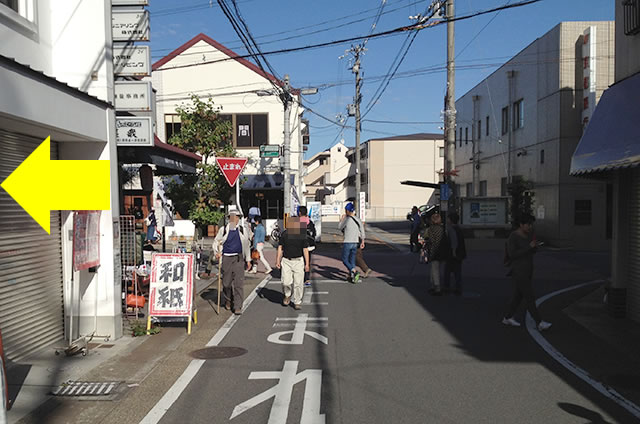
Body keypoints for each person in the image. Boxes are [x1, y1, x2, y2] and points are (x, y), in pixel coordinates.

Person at [502, 214, 552, 331]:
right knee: (529, 296)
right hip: (518, 271)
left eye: (531, 224)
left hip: (528, 270)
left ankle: (507, 317)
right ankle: (539, 322)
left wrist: (535, 246)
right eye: (528, 224)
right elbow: (512, 254)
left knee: (518, 296)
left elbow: (532, 251)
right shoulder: (513, 237)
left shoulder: (529, 235)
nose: (530, 226)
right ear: (521, 225)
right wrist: (529, 247)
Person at [212, 209, 252, 315]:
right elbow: (216, 242)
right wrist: (217, 252)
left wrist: (248, 260)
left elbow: (247, 245)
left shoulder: (243, 230)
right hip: (226, 258)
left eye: (237, 217)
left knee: (239, 283)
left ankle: (238, 306)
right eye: (233, 217)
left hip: (239, 258)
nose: (235, 219)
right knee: (226, 283)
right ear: (229, 218)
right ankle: (228, 299)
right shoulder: (223, 230)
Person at [275, 217, 310, 310]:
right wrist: (278, 260)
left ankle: (297, 301)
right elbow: (280, 248)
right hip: (286, 261)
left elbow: (305, 249)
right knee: (285, 282)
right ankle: (287, 295)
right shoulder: (285, 234)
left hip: (298, 261)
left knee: (298, 283)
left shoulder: (302, 235)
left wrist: (307, 264)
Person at [338, 202, 365, 283]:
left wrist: (341, 219)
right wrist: (363, 241)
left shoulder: (347, 219)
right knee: (352, 259)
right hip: (355, 242)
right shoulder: (358, 219)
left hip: (347, 242)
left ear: (347, 210)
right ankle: (353, 276)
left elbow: (340, 227)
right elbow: (362, 231)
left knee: (344, 259)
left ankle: (353, 271)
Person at [424, 213, 449, 296]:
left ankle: (437, 288)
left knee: (434, 269)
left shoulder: (431, 229)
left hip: (434, 251)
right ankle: (433, 285)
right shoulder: (442, 229)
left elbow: (430, 241)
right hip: (442, 252)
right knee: (435, 268)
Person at [444, 212, 466, 295]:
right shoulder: (458, 229)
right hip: (459, 253)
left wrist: (453, 252)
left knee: (448, 271)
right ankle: (458, 287)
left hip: (453, 254)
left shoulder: (451, 229)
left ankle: (447, 287)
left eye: (448, 218)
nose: (447, 220)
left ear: (451, 220)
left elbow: (454, 242)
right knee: (457, 272)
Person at [298, 206, 316, 286]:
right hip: (310, 246)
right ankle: (307, 279)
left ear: (299, 213)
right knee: (307, 262)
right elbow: (314, 233)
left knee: (299, 262)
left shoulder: (297, 222)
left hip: (300, 246)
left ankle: (299, 278)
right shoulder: (310, 222)